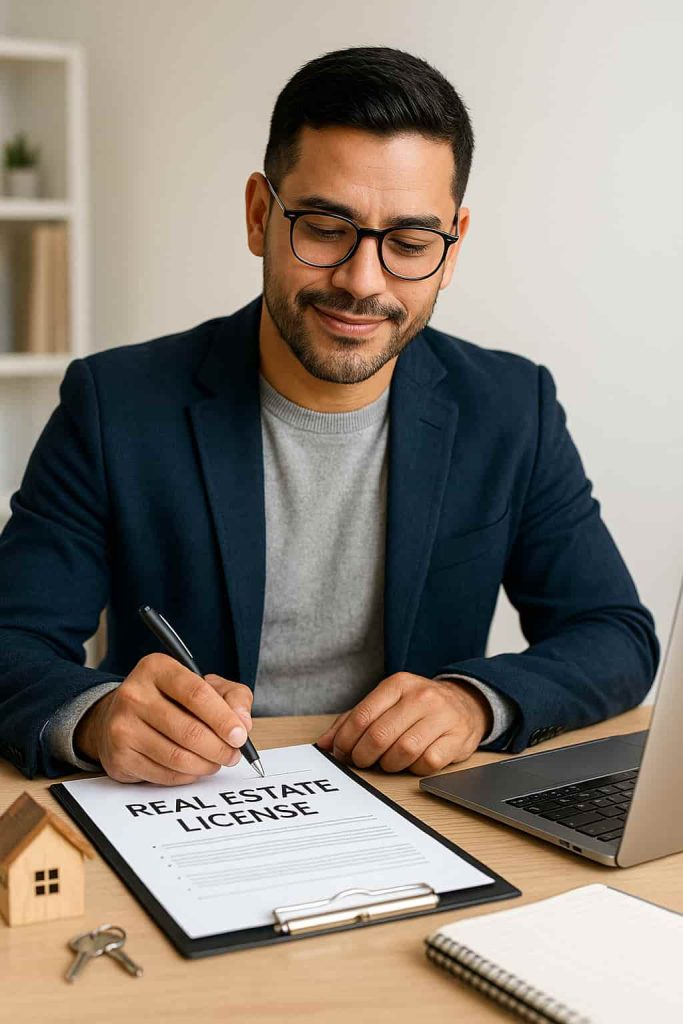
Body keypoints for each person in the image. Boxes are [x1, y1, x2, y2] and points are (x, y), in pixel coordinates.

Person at [0, 46, 658, 785]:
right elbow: (10, 640)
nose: (360, 282)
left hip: (414, 816)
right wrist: (95, 717)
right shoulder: (113, 403)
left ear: (451, 250)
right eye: (322, 228)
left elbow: (614, 636)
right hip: (182, 809)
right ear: (259, 215)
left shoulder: (511, 406)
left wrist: (475, 703)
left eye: (409, 243)